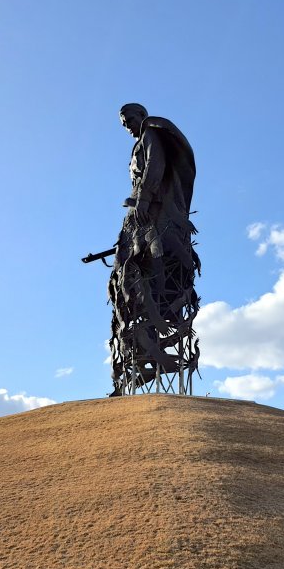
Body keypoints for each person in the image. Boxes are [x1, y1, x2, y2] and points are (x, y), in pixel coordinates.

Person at [108, 103, 200, 396]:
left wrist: (145, 200)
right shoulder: (139, 140)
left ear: (141, 115)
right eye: (123, 123)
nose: (127, 126)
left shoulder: (151, 134)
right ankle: (136, 361)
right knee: (131, 286)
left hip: (153, 216)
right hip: (139, 214)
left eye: (129, 120)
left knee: (154, 277)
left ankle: (151, 351)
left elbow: (155, 167)